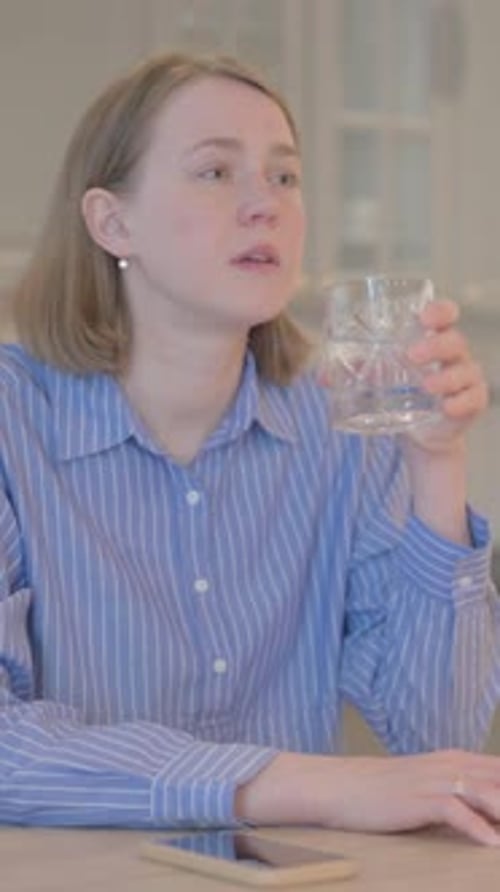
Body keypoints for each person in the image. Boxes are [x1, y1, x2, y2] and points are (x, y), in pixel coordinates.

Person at [1, 50, 500, 845]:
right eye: (215, 173)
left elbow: (429, 739)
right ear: (111, 222)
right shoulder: (11, 426)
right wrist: (301, 783)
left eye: (285, 177)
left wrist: (436, 464)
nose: (264, 205)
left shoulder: (344, 431)